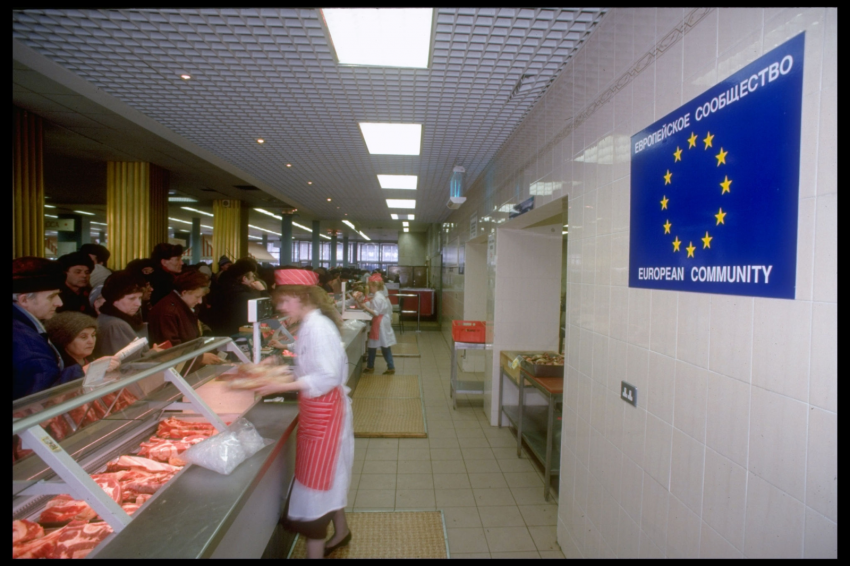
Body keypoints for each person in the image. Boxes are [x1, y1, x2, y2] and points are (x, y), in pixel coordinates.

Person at [242, 269, 353, 559]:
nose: (280, 307)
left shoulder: (318, 327)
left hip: (326, 415)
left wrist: (280, 384)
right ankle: (341, 532)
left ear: (301, 297)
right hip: (319, 411)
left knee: (318, 487)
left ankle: (319, 540)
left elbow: (326, 376)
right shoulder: (310, 324)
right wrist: (281, 370)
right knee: (328, 480)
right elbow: (314, 367)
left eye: (284, 301)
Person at [13, 257, 84, 400]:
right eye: (52, 296)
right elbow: (43, 400)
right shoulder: (28, 344)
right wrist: (83, 372)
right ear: (25, 300)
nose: (59, 303)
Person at [148, 271, 223, 366]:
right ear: (184, 292)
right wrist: (200, 358)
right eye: (197, 297)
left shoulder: (184, 307)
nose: (200, 302)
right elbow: (171, 349)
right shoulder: (168, 312)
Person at [96, 270, 160, 359]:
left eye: (140, 298)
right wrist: (154, 353)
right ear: (115, 299)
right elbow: (129, 363)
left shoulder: (110, 319)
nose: (139, 303)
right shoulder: (115, 325)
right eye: (132, 298)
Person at [205, 258, 268, 336]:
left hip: (221, 334)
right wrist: (263, 290)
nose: (254, 279)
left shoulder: (223, 289)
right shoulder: (246, 297)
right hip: (239, 335)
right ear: (244, 278)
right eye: (252, 277)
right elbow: (266, 311)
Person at [44, 311, 120, 374]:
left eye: (93, 335)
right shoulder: (61, 371)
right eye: (83, 337)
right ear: (64, 340)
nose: (91, 341)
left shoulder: (91, 359)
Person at [354, 273, 396, 375]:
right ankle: (371, 366)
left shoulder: (378, 297)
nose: (369, 288)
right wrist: (361, 302)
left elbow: (375, 312)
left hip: (380, 323)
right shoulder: (378, 296)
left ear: (374, 286)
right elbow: (371, 305)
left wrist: (364, 306)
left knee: (383, 345)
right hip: (380, 322)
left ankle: (389, 367)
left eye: (370, 286)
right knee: (373, 345)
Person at [56, 251, 96, 316]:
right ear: (65, 273)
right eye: (78, 272)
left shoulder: (92, 293)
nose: (84, 275)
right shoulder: (57, 294)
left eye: (87, 272)